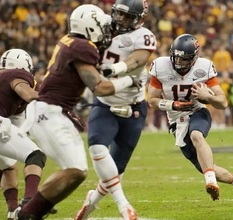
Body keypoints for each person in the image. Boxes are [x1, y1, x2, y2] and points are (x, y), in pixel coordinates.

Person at [16, 4, 142, 220]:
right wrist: (130, 80)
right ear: (90, 26)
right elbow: (100, 88)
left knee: (76, 171)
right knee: (75, 170)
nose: (104, 32)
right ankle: (28, 213)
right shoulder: (82, 46)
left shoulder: (71, 41)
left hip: (50, 111)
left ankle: (31, 211)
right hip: (50, 112)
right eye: (101, 27)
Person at [147, 34, 233, 205]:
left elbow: (222, 102)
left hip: (198, 111)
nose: (178, 62)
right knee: (209, 168)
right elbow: (152, 100)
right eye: (176, 57)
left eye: (183, 59)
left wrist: (207, 96)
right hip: (177, 121)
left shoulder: (204, 67)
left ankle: (210, 182)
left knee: (196, 135)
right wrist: (172, 105)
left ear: (194, 58)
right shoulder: (161, 66)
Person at [75, 0, 156, 220]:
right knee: (97, 147)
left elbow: (139, 57)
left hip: (134, 107)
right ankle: (124, 207)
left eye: (127, 16)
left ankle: (90, 203)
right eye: (119, 14)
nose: (120, 20)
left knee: (116, 170)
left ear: (139, 19)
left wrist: (118, 68)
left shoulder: (143, 36)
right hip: (105, 103)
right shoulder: (101, 26)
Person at [0, 48, 47, 219]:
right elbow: (26, 93)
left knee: (8, 164)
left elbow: (19, 126)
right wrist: (49, 101)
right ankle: (30, 203)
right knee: (36, 156)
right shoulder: (17, 76)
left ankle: (13, 210)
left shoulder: (3, 81)